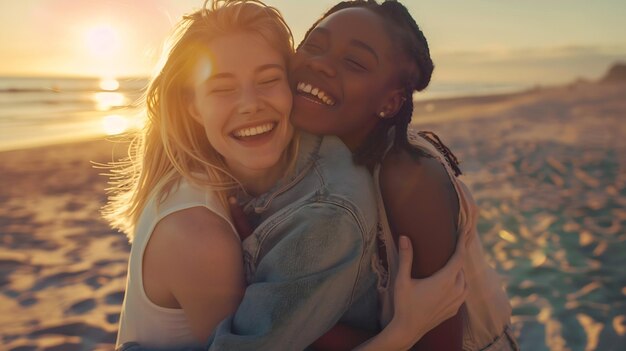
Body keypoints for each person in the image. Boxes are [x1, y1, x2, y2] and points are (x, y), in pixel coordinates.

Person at [107, 1, 468, 350]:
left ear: (288, 82)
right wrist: (400, 335)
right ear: (193, 107)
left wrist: (407, 333)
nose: (249, 104)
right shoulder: (198, 225)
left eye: (267, 79)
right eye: (222, 88)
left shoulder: (337, 206)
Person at [284, 1, 518, 350]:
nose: (320, 64)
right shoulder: (308, 150)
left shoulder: (408, 178)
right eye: (313, 46)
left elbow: (439, 344)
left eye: (354, 62)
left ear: (390, 103)